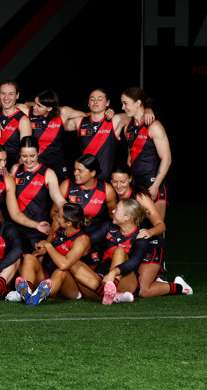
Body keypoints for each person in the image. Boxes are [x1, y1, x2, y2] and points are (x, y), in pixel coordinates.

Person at [110, 164, 175, 297]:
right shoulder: (112, 195)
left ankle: (178, 286)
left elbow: (161, 225)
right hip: (127, 244)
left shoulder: (140, 197)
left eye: (122, 181)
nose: (118, 185)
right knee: (129, 285)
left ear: (130, 179)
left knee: (143, 290)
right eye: (115, 181)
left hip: (150, 244)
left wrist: (149, 232)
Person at [16, 203, 91, 304]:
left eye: (59, 216)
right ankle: (27, 293)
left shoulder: (82, 239)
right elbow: (47, 245)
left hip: (69, 286)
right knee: (29, 257)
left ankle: (37, 297)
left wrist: (48, 246)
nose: (55, 217)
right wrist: (41, 250)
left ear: (69, 223)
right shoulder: (58, 225)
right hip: (48, 278)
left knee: (61, 272)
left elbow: (64, 265)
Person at [55, 154, 117, 267]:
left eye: (80, 171)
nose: (75, 173)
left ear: (92, 173)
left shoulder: (107, 190)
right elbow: (54, 212)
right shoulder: (66, 185)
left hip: (94, 241)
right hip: (68, 240)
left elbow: (113, 218)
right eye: (74, 169)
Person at [121, 87, 171, 220]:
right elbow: (130, 156)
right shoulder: (127, 128)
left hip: (154, 183)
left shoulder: (154, 127)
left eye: (125, 103)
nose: (122, 107)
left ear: (137, 103)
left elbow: (166, 158)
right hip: (137, 183)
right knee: (136, 227)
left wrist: (155, 186)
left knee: (156, 229)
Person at [11, 136, 66, 253]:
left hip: (39, 228)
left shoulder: (48, 173)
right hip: (16, 227)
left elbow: (59, 200)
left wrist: (70, 211)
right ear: (19, 154)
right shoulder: (15, 169)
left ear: (39, 152)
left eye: (32, 156)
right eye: (24, 156)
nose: (28, 160)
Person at [0, 80, 32, 169]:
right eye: (3, 93)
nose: (6, 98)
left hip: (11, 169)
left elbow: (25, 154)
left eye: (11, 94)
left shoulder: (23, 120)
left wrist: (12, 171)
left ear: (17, 95)